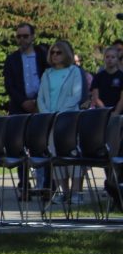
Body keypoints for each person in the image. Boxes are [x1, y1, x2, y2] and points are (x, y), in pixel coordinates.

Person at [38, 39, 84, 200]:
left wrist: (61, 112)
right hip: (51, 120)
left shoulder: (74, 71)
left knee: (72, 154)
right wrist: (47, 113)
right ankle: (63, 192)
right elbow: (41, 97)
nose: (55, 55)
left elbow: (76, 95)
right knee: (56, 154)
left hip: (69, 119)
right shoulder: (47, 73)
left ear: (66, 54)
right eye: (53, 52)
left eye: (59, 52)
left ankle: (76, 192)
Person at [4, 22, 47, 115]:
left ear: (32, 37)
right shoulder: (11, 59)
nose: (22, 39)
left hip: (42, 105)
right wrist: (23, 101)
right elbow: (9, 85)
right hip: (18, 108)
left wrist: (38, 101)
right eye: (19, 37)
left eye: (25, 36)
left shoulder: (42, 55)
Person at [91, 46, 123, 113]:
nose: (110, 59)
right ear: (104, 59)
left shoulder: (121, 76)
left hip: (118, 114)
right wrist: (105, 112)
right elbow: (96, 98)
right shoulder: (98, 76)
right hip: (101, 114)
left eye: (113, 57)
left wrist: (115, 113)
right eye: (107, 57)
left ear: (117, 59)